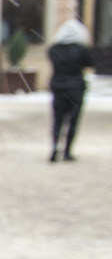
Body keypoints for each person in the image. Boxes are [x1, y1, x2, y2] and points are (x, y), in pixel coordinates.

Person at [47, 18, 94, 161]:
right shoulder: (81, 49)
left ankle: (55, 146)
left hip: (59, 87)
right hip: (76, 88)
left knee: (58, 119)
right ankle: (67, 151)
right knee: (73, 120)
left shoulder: (54, 49)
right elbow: (90, 63)